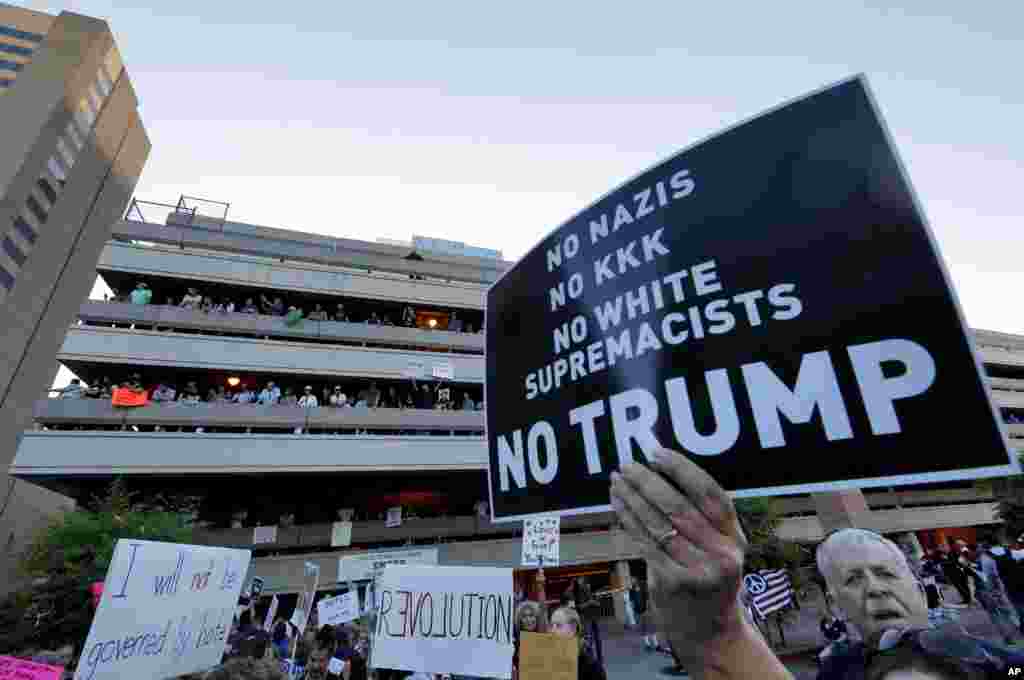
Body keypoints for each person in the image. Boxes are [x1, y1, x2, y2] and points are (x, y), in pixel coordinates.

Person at [609, 446, 1024, 680]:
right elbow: (722, 654)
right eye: (853, 579)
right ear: (835, 602)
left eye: (884, 573)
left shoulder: (999, 664)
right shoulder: (836, 671)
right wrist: (712, 627)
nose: (874, 588)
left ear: (916, 583)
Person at [549, 606, 607, 680]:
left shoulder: (591, 668)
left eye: (558, 626)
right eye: (551, 626)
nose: (552, 631)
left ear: (573, 628)